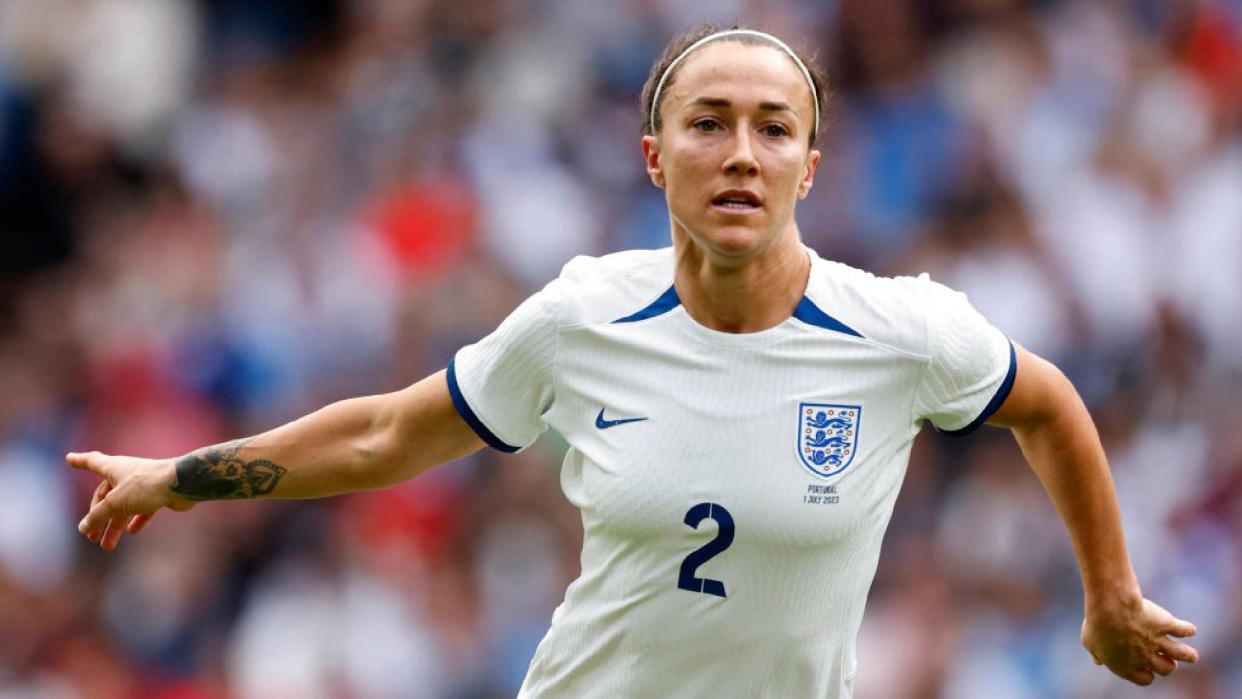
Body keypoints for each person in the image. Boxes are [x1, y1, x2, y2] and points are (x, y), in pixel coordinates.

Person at [70, 24, 1198, 698]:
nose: (742, 153)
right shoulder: (583, 317)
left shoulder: (902, 330)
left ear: (812, 165)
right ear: (656, 159)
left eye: (773, 127)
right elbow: (387, 434)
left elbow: (1048, 405)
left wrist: (1109, 595)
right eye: (709, 123)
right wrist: (180, 477)